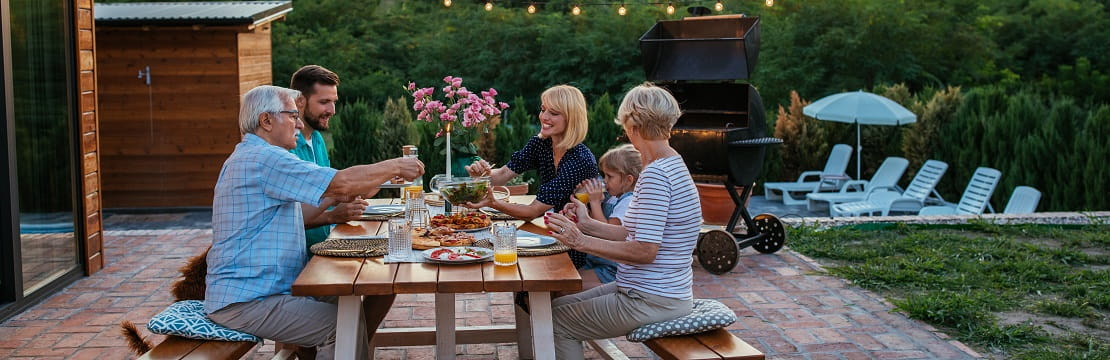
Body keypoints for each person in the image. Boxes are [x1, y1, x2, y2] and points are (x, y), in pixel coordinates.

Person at [204, 85, 424, 359]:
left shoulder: (256, 156)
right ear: (266, 120)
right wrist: (395, 165)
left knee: (357, 300)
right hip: (247, 300)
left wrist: (377, 178)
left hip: (265, 289)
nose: (298, 123)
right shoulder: (265, 158)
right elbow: (341, 183)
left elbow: (337, 191)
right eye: (292, 116)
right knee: (345, 325)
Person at [544, 83, 700, 359]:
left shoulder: (655, 175)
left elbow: (644, 251)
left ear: (633, 125)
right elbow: (630, 232)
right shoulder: (669, 164)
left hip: (652, 299)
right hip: (653, 292)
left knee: (556, 323)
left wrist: (580, 241)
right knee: (554, 309)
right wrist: (586, 224)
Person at [460, 85, 599, 221]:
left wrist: (493, 203)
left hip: (583, 235)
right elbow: (503, 174)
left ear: (572, 119)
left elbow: (533, 211)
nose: (544, 117)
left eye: (554, 113)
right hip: (558, 228)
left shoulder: (580, 160)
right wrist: (481, 176)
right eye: (543, 110)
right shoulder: (541, 143)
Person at [288, 65, 366, 252]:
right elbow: (291, 218)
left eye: (334, 101)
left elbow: (326, 193)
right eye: (324, 102)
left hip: (324, 247)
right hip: (300, 257)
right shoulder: (286, 147)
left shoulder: (317, 139)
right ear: (300, 101)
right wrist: (333, 216)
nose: (332, 110)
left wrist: (385, 180)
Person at [573, 144, 642, 284]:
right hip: (596, 261)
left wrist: (595, 202)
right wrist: (583, 199)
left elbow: (607, 232)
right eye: (604, 175)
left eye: (610, 176)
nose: (605, 181)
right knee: (565, 281)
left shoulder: (628, 201)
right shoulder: (613, 197)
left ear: (629, 180)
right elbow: (592, 224)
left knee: (567, 287)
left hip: (611, 269)